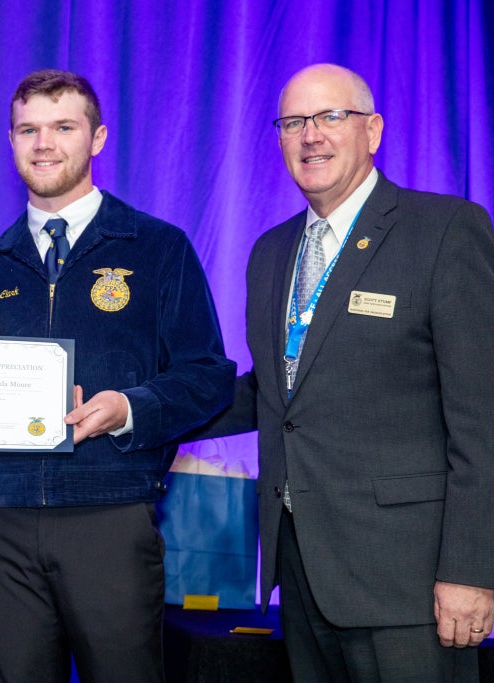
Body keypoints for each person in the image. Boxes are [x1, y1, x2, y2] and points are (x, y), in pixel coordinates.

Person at [0, 69, 235, 683]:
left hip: (111, 518)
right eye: (28, 129)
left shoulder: (156, 248)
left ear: (98, 138)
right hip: (0, 525)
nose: (44, 144)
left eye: (63, 126)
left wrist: (129, 407)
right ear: (10, 141)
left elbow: (208, 375)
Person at [191, 64, 494, 681]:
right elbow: (277, 394)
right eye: (293, 122)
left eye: (331, 117)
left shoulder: (443, 231)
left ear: (373, 130)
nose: (311, 136)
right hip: (302, 574)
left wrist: (471, 570)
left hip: (410, 583)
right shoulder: (271, 252)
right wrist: (146, 408)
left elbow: (482, 416)